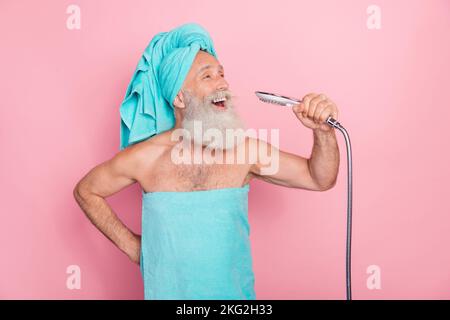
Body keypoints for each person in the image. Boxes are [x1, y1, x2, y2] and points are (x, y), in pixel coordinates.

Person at [73, 23, 340, 300]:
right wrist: (133, 247)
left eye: (222, 74)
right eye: (208, 76)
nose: (223, 83)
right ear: (179, 97)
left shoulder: (245, 152)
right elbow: (86, 190)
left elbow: (318, 177)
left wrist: (322, 132)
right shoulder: (145, 158)